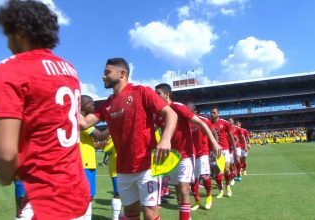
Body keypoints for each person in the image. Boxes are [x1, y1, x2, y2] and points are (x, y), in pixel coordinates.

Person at [0, 1, 90, 219]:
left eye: (8, 33)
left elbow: (5, 154)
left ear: (20, 32)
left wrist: (5, 175)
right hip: (77, 192)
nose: (7, 43)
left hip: (46, 199)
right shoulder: (69, 69)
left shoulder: (11, 68)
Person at [80, 58, 178, 220]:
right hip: (123, 169)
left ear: (122, 74)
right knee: (131, 214)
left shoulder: (141, 92)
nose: (103, 76)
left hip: (147, 165)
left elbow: (171, 114)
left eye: (107, 72)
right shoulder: (107, 104)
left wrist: (165, 139)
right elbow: (84, 123)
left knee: (150, 213)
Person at [155, 84, 221, 219]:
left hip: (185, 155)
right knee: (179, 191)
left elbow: (202, 124)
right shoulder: (159, 113)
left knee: (184, 189)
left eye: (158, 94)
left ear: (166, 95)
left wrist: (214, 143)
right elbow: (151, 129)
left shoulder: (178, 107)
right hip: (171, 158)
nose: (155, 96)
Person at [80, 95, 109, 218]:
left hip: (88, 162)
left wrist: (98, 146)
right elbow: (100, 135)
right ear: (84, 106)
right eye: (91, 104)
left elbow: (88, 142)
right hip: (84, 163)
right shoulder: (81, 120)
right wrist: (114, 123)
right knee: (85, 197)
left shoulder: (82, 120)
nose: (94, 106)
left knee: (89, 196)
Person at [186, 103, 216, 211]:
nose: (186, 112)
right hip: (191, 154)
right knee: (193, 179)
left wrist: (214, 147)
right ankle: (197, 201)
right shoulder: (186, 122)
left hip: (203, 152)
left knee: (205, 176)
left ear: (194, 111)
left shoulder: (203, 120)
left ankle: (208, 196)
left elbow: (213, 132)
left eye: (188, 110)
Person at [210, 108, 235, 198]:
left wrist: (234, 149)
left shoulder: (225, 123)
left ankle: (227, 186)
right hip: (214, 151)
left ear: (218, 113)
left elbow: (230, 135)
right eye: (211, 113)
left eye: (214, 112)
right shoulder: (209, 123)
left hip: (224, 149)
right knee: (217, 172)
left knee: (226, 170)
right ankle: (220, 190)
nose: (212, 114)